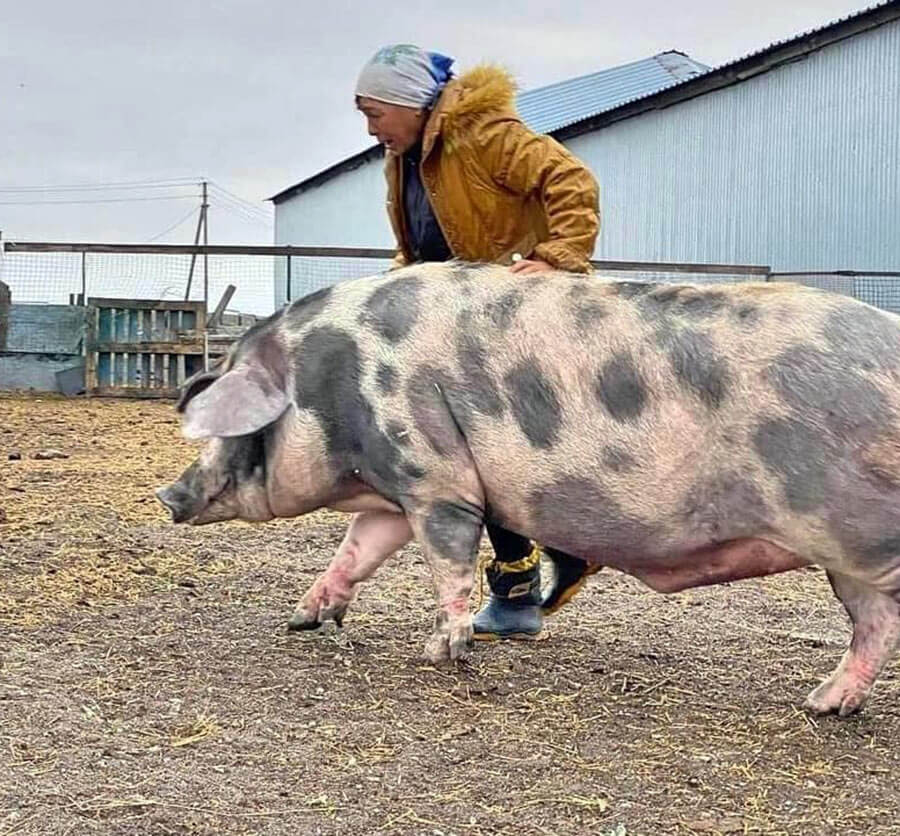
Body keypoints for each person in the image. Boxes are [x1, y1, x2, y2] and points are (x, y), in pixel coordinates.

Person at [353, 43, 601, 640]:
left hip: (512, 317)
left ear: (411, 104)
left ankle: (525, 585)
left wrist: (556, 258)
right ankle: (549, 567)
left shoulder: (485, 134)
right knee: (476, 455)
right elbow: (429, 243)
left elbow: (569, 180)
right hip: (457, 320)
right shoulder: (408, 156)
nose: (370, 128)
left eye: (374, 112)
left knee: (485, 455)